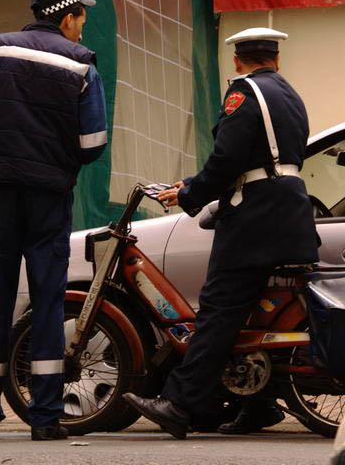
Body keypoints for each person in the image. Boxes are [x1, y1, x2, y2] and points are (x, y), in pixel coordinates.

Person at [122, 28, 319, 439]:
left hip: (256, 216)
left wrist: (190, 193)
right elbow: (267, 157)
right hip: (289, 208)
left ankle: (178, 404)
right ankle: (258, 404)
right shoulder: (290, 95)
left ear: (237, 61)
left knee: (219, 309)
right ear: (276, 60)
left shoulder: (242, 93)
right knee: (255, 311)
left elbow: (228, 158)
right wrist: (193, 185)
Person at [0, 0, 108, 441]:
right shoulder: (81, 64)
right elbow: (93, 144)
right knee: (48, 302)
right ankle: (45, 417)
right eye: (81, 18)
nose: (82, 28)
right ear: (68, 17)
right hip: (48, 195)